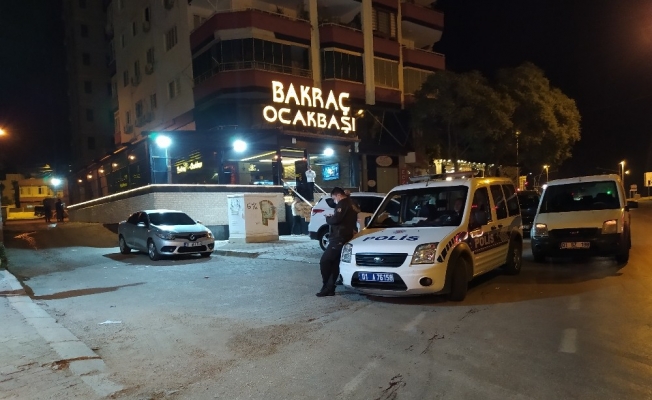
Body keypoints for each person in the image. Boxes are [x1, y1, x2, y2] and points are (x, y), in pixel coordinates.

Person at [316, 187, 359, 297]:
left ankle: (326, 286)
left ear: (338, 195)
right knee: (335, 262)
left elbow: (336, 220)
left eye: (334, 198)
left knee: (325, 261)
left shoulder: (342, 203)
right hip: (347, 235)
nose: (334, 201)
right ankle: (330, 288)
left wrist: (328, 218)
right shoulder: (352, 203)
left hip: (339, 237)